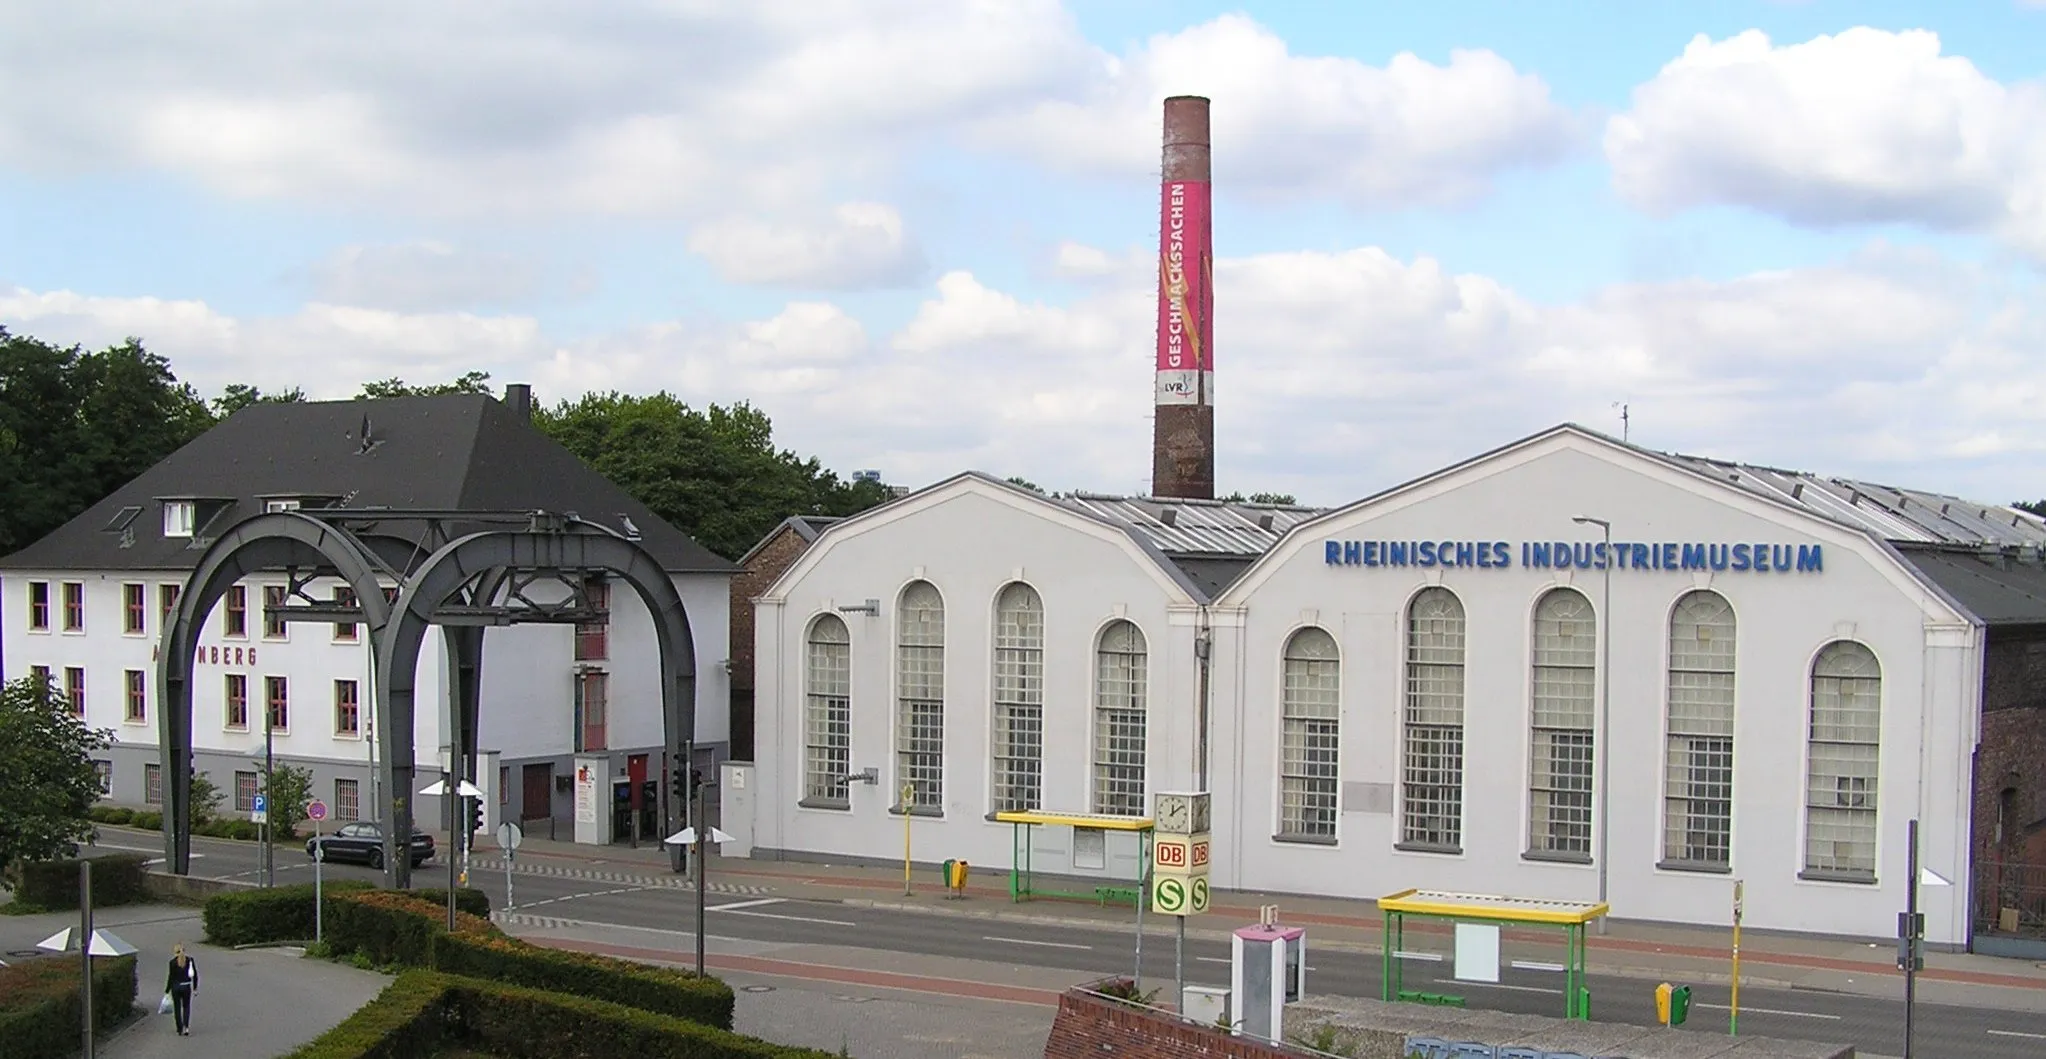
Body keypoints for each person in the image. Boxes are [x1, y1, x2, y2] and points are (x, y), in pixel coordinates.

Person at [165, 944, 199, 1036]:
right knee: (186, 1007)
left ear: (175, 952)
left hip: (176, 987)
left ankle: (179, 1028)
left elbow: (171, 977)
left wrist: (167, 990)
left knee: (177, 1008)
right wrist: (195, 987)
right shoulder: (190, 960)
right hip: (186, 986)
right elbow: (194, 975)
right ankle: (186, 1027)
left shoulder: (172, 962)